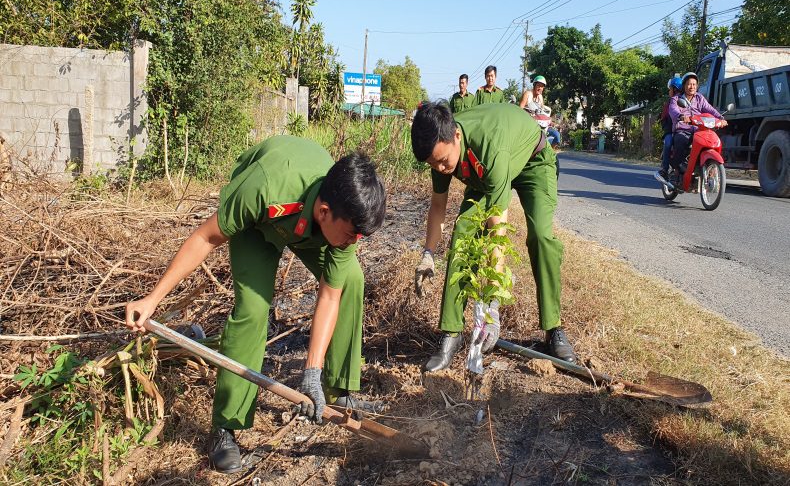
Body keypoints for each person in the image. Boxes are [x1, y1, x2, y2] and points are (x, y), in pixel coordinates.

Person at [124, 136, 386, 474]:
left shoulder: (346, 219)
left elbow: (330, 295)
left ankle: (339, 391)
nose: (355, 242)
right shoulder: (263, 185)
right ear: (324, 212)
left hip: (312, 226)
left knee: (350, 279)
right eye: (352, 235)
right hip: (259, 225)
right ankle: (225, 428)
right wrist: (152, 299)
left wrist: (311, 372)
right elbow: (206, 238)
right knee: (252, 310)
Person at [411, 101, 577, 373]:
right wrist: (428, 255)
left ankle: (553, 328)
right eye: (434, 164)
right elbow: (438, 205)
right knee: (463, 232)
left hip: (532, 162)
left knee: (541, 237)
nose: (441, 169)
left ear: (456, 136)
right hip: (484, 172)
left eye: (443, 161)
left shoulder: (490, 147)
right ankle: (451, 334)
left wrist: (492, 303)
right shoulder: (440, 148)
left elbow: (497, 228)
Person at [668, 72, 726, 181]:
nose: (692, 87)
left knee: (712, 141)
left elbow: (710, 109)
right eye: (689, 84)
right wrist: (681, 116)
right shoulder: (676, 99)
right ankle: (678, 169)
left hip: (699, 129)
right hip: (683, 129)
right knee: (681, 141)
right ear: (684, 85)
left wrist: (720, 118)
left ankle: (709, 167)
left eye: (694, 84)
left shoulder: (699, 98)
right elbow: (673, 110)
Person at [520, 75, 561, 147]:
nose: (540, 88)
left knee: (557, 135)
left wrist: (551, 122)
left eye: (542, 87)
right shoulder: (527, 94)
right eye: (538, 85)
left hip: (541, 126)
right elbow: (520, 110)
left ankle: (549, 153)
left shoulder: (540, 97)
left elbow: (542, 114)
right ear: (534, 85)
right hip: (529, 125)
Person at [657, 76, 683, 181]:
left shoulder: (690, 100)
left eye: (670, 89)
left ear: (674, 89)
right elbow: (663, 119)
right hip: (670, 130)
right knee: (668, 142)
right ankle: (664, 168)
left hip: (686, 129)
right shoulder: (670, 103)